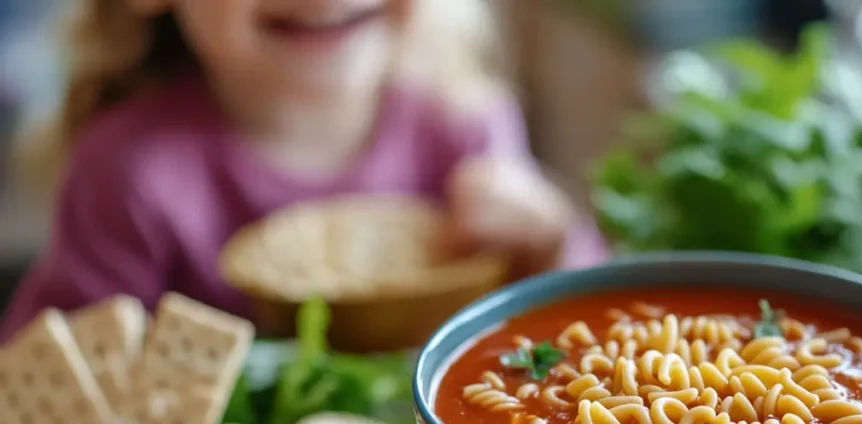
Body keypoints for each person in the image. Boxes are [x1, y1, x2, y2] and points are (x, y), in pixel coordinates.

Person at [0, 0, 606, 340]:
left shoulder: (464, 120)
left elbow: (592, 324)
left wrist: (551, 241)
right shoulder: (128, 173)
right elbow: (41, 380)